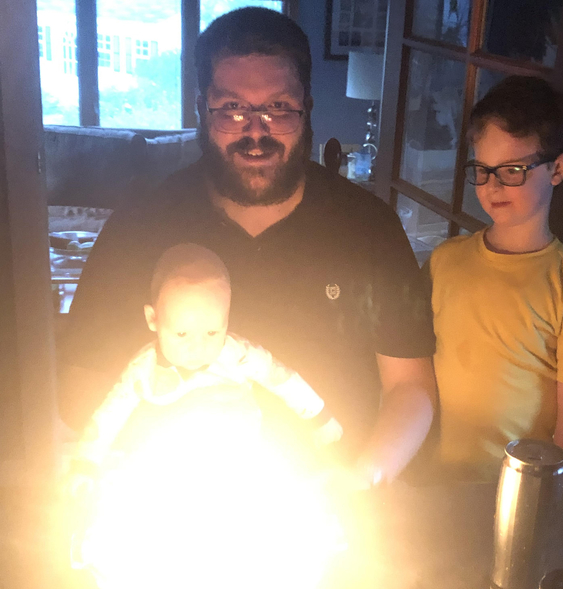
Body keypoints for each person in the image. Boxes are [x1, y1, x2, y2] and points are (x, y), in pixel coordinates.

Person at [58, 7, 436, 488]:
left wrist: (366, 476)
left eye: (278, 107)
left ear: (307, 108)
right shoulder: (140, 225)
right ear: (201, 110)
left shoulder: (368, 228)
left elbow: (412, 388)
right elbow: (81, 376)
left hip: (334, 503)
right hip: (168, 501)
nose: (256, 131)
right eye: (232, 108)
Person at [428, 76, 563, 491]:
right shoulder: (444, 261)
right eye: (483, 170)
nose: (492, 186)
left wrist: (554, 511)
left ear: (557, 168)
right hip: (435, 481)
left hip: (516, 493)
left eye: (512, 170)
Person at [70, 243, 343, 480]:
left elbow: (283, 379)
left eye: (212, 332)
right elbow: (110, 414)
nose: (197, 347)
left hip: (238, 459)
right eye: (181, 334)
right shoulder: (143, 370)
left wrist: (321, 420)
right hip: (166, 465)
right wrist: (86, 464)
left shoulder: (239, 354)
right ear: (153, 319)